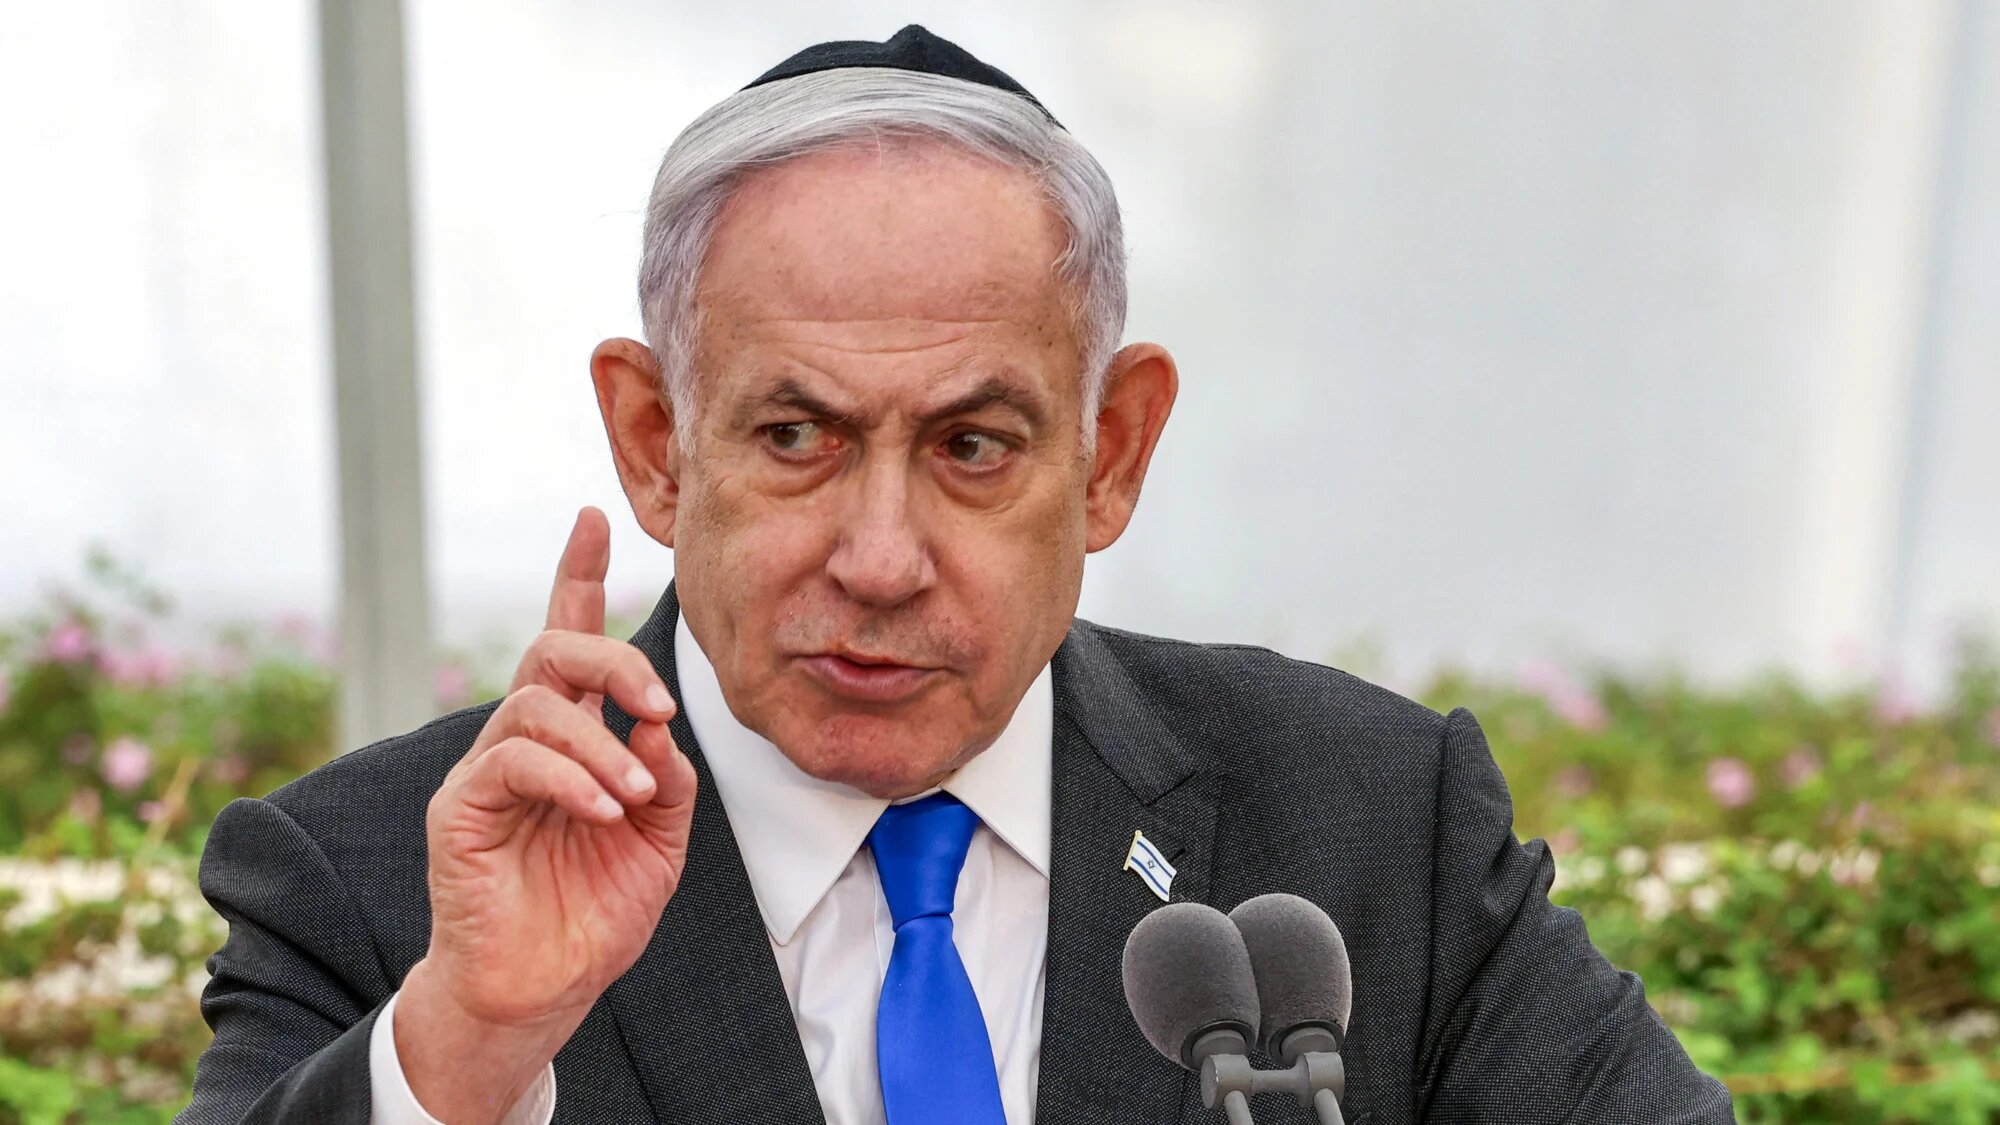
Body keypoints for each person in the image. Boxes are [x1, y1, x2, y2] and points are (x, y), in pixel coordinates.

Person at [178, 25, 1734, 1125]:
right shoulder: (378, 886)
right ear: (657, 444)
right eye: (795, 433)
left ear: (1112, 451)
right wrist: (464, 1048)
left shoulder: (1368, 825)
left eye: (976, 445)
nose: (880, 556)